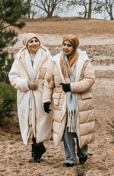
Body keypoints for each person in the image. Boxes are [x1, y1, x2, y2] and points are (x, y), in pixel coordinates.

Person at [42, 35, 96, 167]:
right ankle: (70, 159)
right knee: (66, 131)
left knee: (80, 129)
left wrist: (72, 87)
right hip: (62, 101)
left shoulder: (84, 61)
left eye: (69, 45)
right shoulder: (55, 61)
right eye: (64, 45)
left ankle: (82, 154)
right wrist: (46, 100)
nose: (65, 48)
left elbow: (90, 79)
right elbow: (48, 82)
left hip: (80, 102)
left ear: (74, 47)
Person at [9, 33, 54, 163]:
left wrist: (48, 94)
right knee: (30, 123)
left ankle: (38, 148)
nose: (34, 43)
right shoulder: (19, 58)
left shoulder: (47, 57)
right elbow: (13, 77)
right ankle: (36, 152)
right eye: (31, 41)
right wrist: (26, 84)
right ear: (26, 44)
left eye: (36, 41)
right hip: (26, 95)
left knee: (40, 123)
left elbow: (52, 76)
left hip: (42, 94)